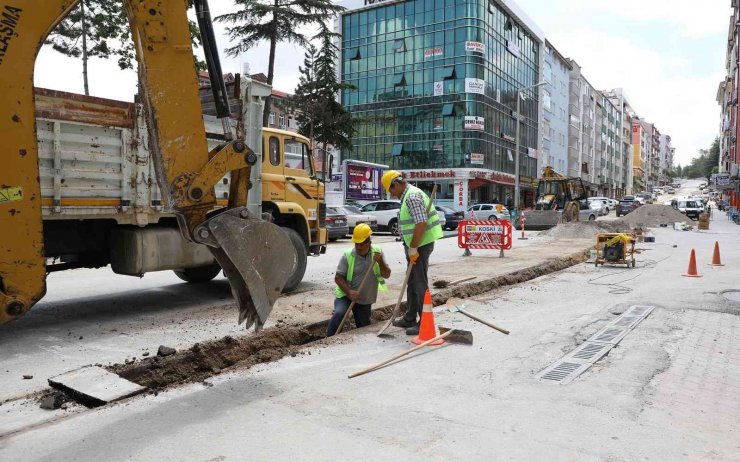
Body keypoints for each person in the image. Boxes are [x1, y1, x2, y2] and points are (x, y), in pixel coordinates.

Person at [381, 170, 443, 335]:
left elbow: (421, 223)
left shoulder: (412, 197)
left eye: (391, 189)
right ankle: (410, 317)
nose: (391, 193)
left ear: (397, 184)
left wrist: (414, 247)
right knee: (412, 280)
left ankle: (424, 321)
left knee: (419, 282)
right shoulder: (407, 195)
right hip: (415, 245)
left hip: (420, 245)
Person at [326, 224, 391, 337]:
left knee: (363, 328)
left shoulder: (377, 253)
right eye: (356, 244)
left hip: (364, 298)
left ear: (369, 242)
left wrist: (380, 262)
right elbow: (338, 278)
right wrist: (349, 292)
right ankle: (329, 338)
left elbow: (386, 275)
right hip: (345, 295)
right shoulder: (348, 255)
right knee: (340, 313)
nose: (358, 247)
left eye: (361, 244)